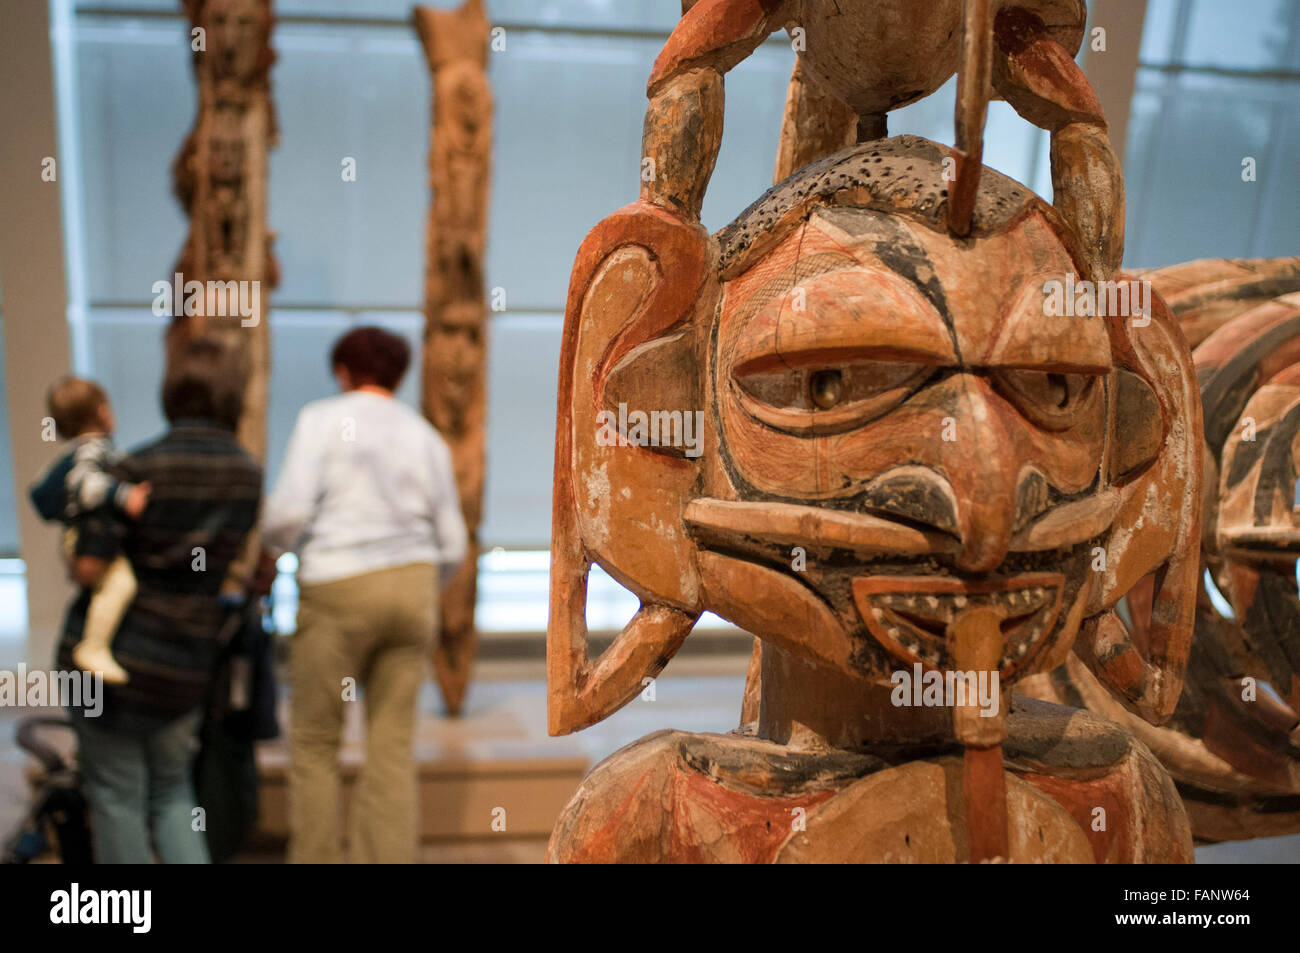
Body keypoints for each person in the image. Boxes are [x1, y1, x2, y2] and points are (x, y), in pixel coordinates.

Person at [262, 325, 466, 864]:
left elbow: (286, 513)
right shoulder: (425, 436)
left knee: (313, 742)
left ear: (343, 371)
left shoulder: (320, 420)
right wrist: (422, 585)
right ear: (400, 375)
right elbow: (453, 542)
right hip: (413, 587)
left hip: (336, 586)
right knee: (392, 747)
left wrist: (273, 549)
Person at [56, 337, 263, 863]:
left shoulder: (134, 470)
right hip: (189, 658)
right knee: (173, 793)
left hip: (110, 662)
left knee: (115, 796)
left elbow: (88, 569)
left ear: (170, 394)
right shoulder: (248, 476)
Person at [29, 377, 151, 684]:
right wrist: (124, 495)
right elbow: (85, 483)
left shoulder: (70, 453)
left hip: (75, 536)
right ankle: (94, 646)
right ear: (102, 411)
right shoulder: (91, 449)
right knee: (121, 584)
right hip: (86, 537)